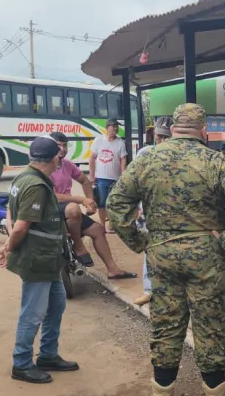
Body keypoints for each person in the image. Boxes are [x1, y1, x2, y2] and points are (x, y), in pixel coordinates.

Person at [106, 104, 225, 396]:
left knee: (166, 325)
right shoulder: (215, 160)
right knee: (210, 326)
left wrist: (140, 241)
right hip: (207, 255)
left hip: (161, 253)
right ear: (203, 130)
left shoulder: (147, 159)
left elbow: (116, 203)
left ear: (172, 129)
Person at [0, 136, 78, 384]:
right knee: (32, 312)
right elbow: (20, 226)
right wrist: (8, 246)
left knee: (57, 304)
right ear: (55, 159)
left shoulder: (23, 178)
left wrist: (8, 242)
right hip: (38, 258)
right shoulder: (36, 186)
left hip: (50, 259)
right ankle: (21, 363)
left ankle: (48, 355)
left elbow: (11, 212)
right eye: (59, 157)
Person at [48, 132, 135, 280]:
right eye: (58, 145)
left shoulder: (67, 164)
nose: (62, 149)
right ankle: (79, 245)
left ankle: (112, 269)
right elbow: (50, 195)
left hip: (68, 210)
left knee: (99, 230)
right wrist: (81, 200)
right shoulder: (46, 166)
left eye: (64, 145)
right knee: (74, 207)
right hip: (50, 210)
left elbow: (85, 181)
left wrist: (90, 201)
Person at [130, 117, 172, 306]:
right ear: (155, 136)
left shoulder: (179, 154)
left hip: (173, 212)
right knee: (150, 248)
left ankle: (170, 291)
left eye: (165, 137)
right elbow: (136, 183)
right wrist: (138, 208)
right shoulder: (145, 153)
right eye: (159, 137)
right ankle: (149, 290)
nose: (161, 140)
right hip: (150, 211)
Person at [89, 119, 127, 234]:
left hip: (115, 178)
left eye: (117, 127)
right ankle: (102, 225)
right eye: (113, 126)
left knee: (113, 202)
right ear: (107, 127)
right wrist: (92, 175)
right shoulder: (99, 140)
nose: (115, 129)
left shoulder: (120, 142)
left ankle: (111, 225)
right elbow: (92, 158)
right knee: (101, 202)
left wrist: (123, 176)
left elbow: (123, 159)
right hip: (101, 178)